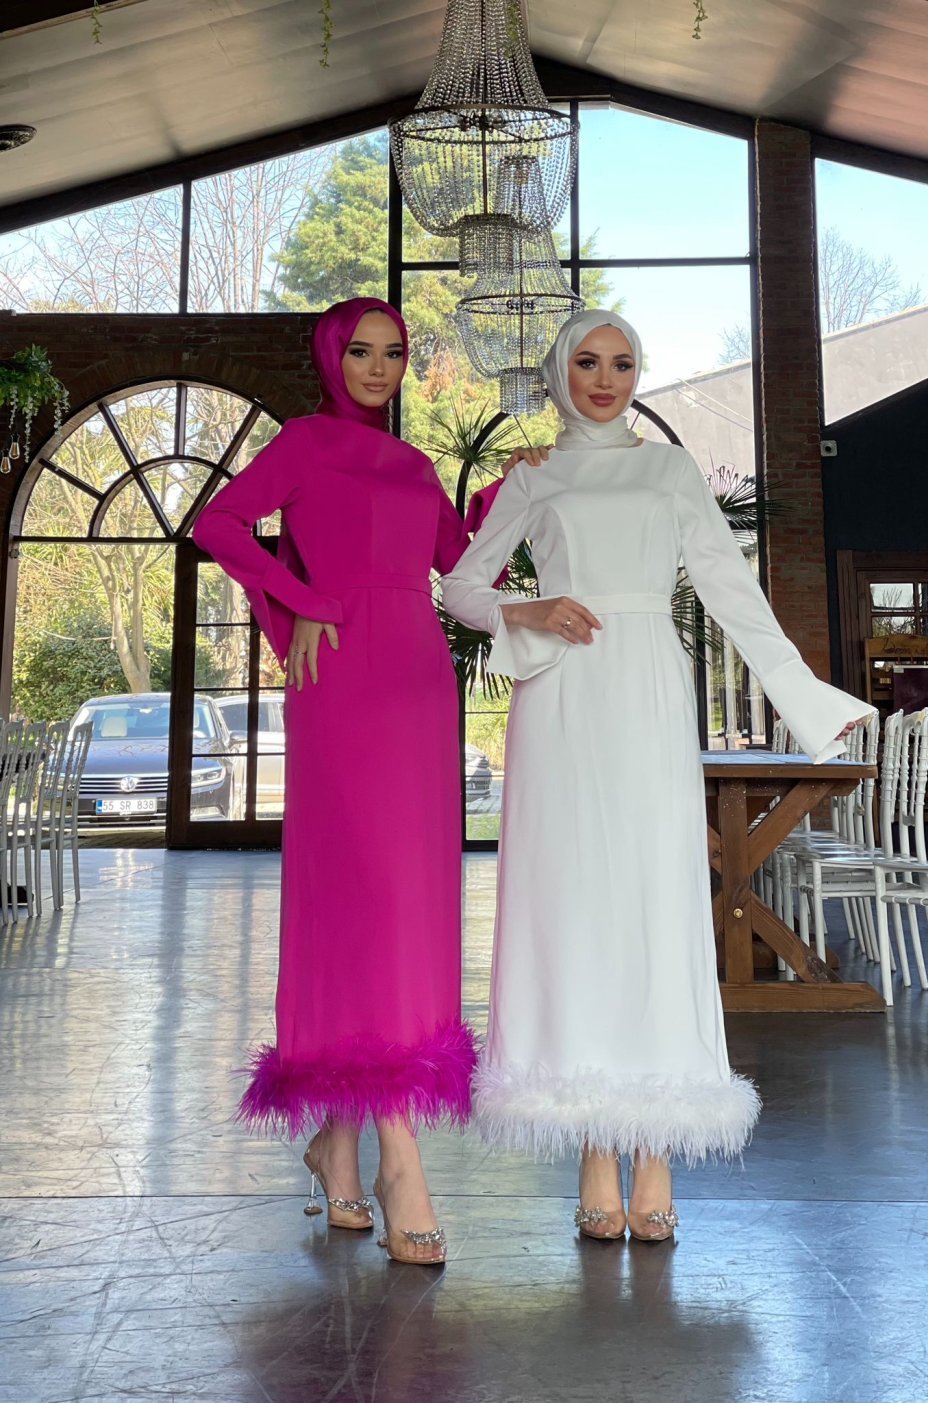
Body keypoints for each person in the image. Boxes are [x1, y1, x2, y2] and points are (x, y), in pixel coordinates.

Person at [440, 309, 870, 1242]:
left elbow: (730, 588)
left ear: (639, 373)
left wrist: (804, 696)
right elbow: (461, 585)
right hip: (560, 697)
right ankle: (595, 1141)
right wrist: (531, 607)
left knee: (655, 900)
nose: (606, 379)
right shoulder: (533, 475)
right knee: (575, 906)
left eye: (622, 363)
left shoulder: (669, 470)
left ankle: (657, 1141)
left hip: (645, 690)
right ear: (559, 373)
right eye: (588, 363)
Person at [193, 297, 542, 1265]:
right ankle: (399, 1154)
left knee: (408, 903)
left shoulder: (415, 465)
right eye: (360, 350)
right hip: (339, 678)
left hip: (418, 680)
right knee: (362, 898)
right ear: (329, 356)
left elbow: (459, 565)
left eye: (393, 352)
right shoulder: (304, 443)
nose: (379, 367)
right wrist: (301, 598)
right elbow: (216, 523)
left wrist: (510, 495)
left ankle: (336, 1144)